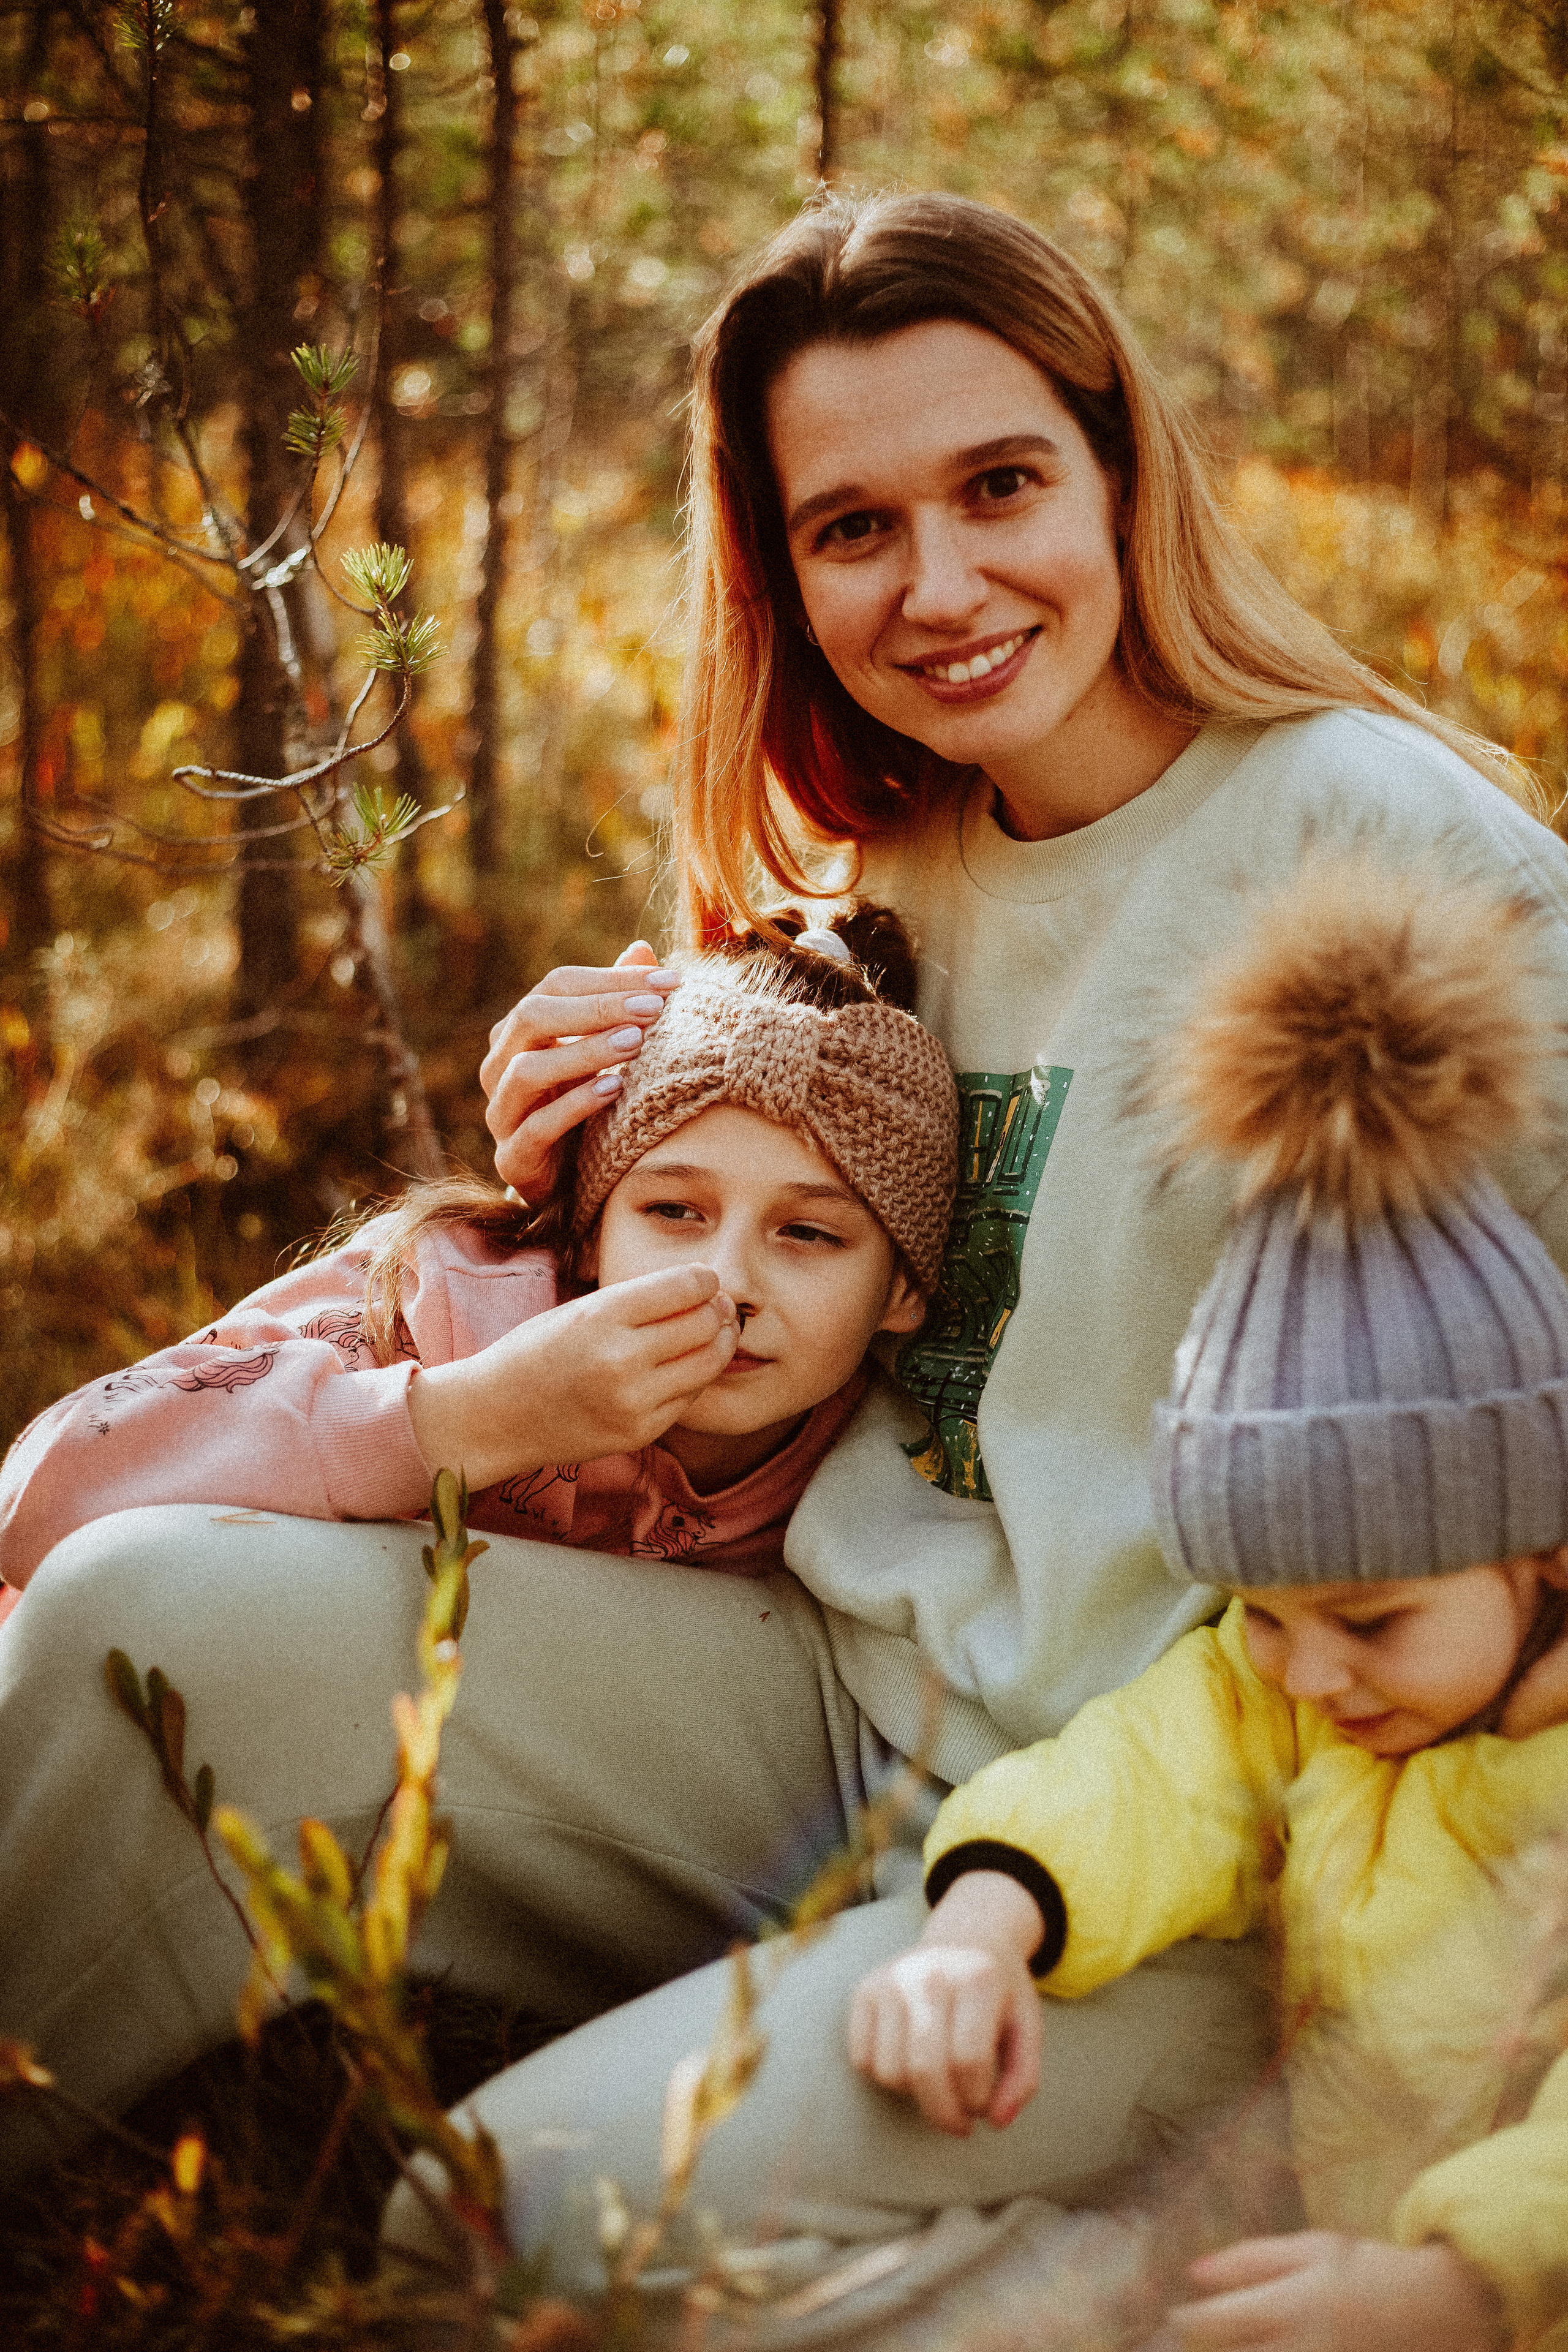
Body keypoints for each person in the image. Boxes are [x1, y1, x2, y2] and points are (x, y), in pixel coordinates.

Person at [3, 185, 1567, 2334]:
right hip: (814, 1692)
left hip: (1199, 1836)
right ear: (782, 569)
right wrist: (581, 1140)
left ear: (1122, 468)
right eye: (853, 528)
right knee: (138, 1622)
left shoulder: (1387, 843)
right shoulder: (892, 847)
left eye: (1001, 484)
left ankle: (1179, 2275)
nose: (940, 586)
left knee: (512, 2236)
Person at [850, 857, 1568, 2352]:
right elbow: (1141, 1781)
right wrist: (979, 1926)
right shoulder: (1287, 1690)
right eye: (1259, 1614)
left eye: (1366, 1621)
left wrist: (1456, 2287)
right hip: (1326, 2263)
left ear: (1544, 1556)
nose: (1302, 1672)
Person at [0, 911, 951, 1590]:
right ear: (590, 1226)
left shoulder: (878, 1468)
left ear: (904, 1287)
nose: (730, 1282)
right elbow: (40, 1498)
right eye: (674, 1211)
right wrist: (479, 1415)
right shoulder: (441, 1306)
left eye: (808, 1232)